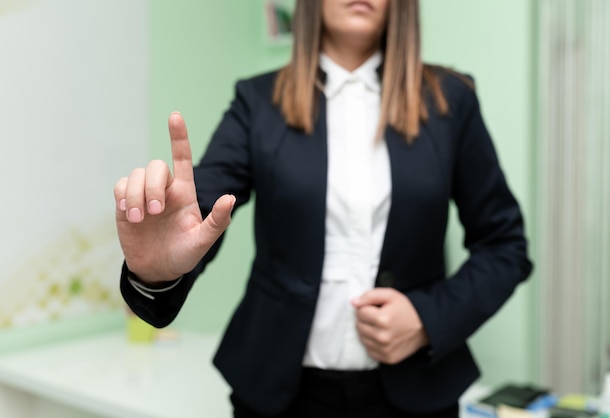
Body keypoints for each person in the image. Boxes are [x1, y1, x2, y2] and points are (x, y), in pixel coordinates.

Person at [114, 0, 533, 417]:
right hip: (281, 396)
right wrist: (159, 270)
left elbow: (504, 245)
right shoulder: (257, 102)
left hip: (414, 396)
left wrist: (427, 318)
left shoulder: (451, 101)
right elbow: (197, 215)